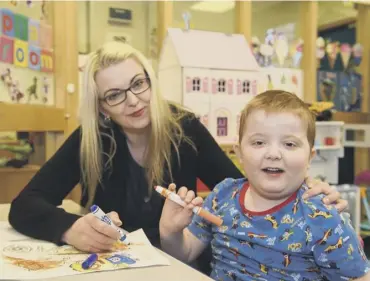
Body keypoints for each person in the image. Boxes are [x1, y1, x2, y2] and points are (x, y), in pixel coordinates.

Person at [9, 42, 344, 271]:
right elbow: (25, 205)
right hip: (115, 267)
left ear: (151, 80)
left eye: (138, 83)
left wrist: (304, 190)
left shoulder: (185, 128)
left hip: (180, 264)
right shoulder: (92, 139)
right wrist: (70, 228)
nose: (133, 101)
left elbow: (245, 187)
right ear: (101, 107)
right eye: (114, 95)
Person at [159, 90, 369, 280]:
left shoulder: (323, 217)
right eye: (259, 142)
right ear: (239, 153)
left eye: (289, 144)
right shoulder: (222, 195)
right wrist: (170, 232)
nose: (273, 154)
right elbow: (185, 253)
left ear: (310, 157)